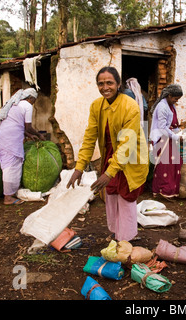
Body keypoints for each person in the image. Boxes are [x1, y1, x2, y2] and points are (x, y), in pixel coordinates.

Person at [66, 66, 148, 242]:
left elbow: (127, 144)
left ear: (118, 84)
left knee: (125, 196)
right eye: (101, 83)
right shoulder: (96, 106)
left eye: (109, 83)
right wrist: (79, 168)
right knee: (111, 194)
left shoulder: (130, 106)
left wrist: (110, 172)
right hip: (110, 154)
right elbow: (89, 137)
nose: (105, 87)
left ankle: (126, 238)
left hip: (131, 156)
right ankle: (117, 232)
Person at [0, 88, 46, 205]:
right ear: (31, 98)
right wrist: (39, 134)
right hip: (10, 138)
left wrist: (29, 135)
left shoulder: (14, 104)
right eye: (34, 100)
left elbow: (17, 125)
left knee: (7, 164)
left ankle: (10, 192)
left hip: (1, 136)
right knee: (12, 166)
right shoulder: (27, 106)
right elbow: (28, 127)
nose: (33, 103)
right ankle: (8, 198)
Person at [149, 84, 184, 201]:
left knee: (175, 163)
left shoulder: (171, 105)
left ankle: (170, 189)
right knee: (166, 165)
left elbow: (172, 124)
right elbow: (162, 127)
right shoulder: (162, 107)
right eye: (175, 98)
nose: (176, 101)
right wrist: (176, 136)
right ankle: (163, 190)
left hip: (169, 136)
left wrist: (180, 133)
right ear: (169, 96)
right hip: (162, 137)